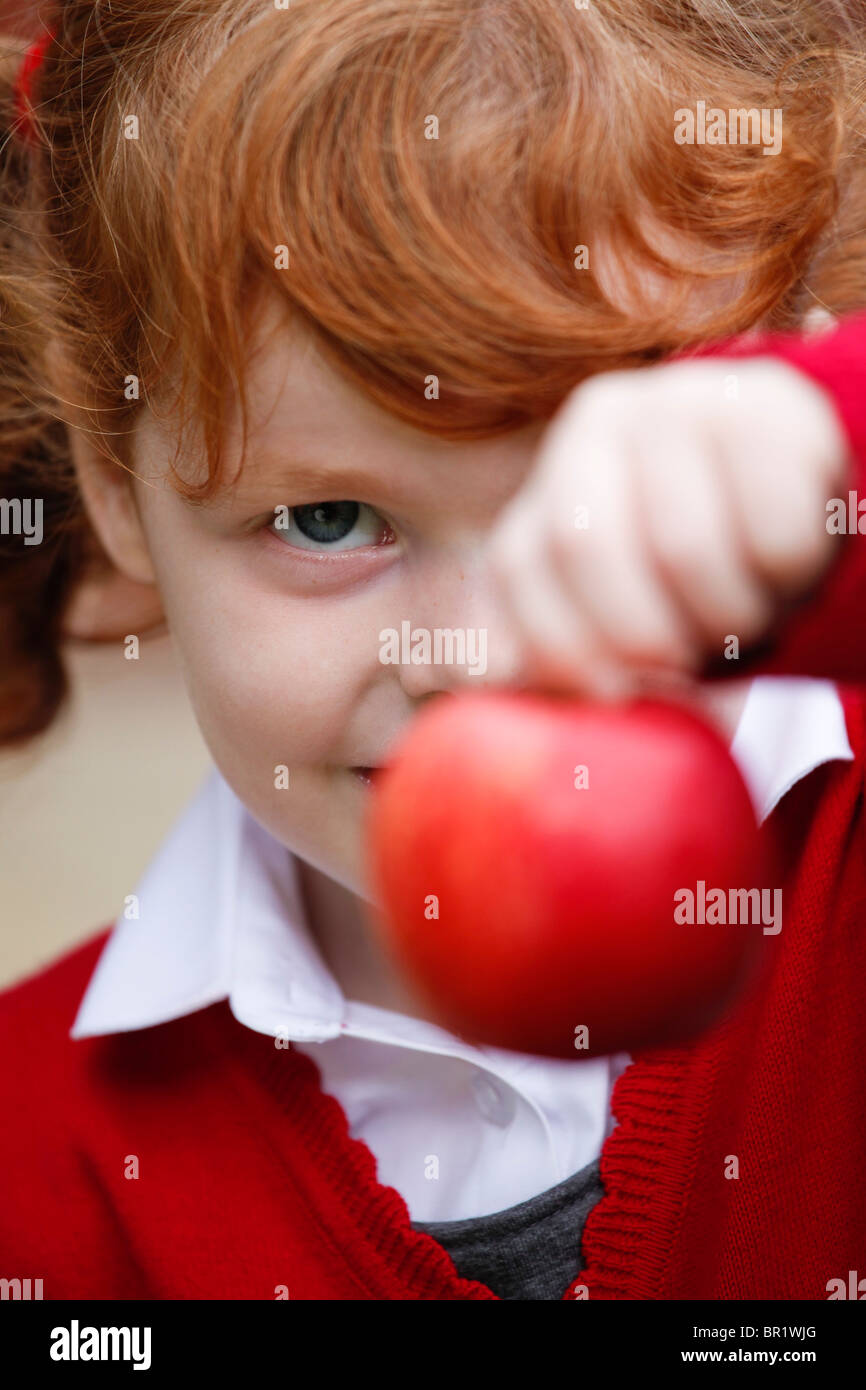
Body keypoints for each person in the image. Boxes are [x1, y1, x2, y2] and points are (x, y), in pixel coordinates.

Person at [1, 1, 865, 1300]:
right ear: (112, 478)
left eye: (596, 492)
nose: (471, 654)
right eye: (327, 518)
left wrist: (820, 469)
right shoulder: (37, 1176)